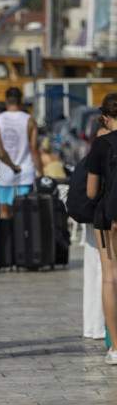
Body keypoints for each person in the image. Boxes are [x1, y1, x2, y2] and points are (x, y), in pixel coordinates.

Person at [86, 93, 117, 364]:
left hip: (107, 217)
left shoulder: (101, 144)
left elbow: (91, 190)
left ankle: (116, 348)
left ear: (105, 117)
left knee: (110, 278)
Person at [0, 87, 43, 218]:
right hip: (25, 172)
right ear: (20, 101)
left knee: (4, 212)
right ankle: (23, 238)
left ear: (6, 101)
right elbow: (34, 149)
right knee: (24, 214)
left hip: (3, 172)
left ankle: (7, 238)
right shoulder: (30, 120)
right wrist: (40, 171)